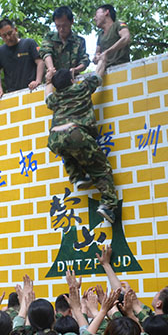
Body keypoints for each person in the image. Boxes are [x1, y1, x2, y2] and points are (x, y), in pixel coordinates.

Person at [45, 68, 118, 223]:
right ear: (72, 81)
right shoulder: (81, 88)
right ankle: (107, 204)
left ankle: (77, 177)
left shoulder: (55, 98)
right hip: (74, 133)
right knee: (101, 168)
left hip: (54, 138)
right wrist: (103, 59)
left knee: (68, 152)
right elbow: (98, 74)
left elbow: (47, 95)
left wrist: (48, 80)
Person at [0, 18, 44, 102]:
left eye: (10, 33)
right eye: (4, 36)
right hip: (13, 95)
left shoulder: (29, 43)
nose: (8, 37)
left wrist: (38, 81)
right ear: (1, 36)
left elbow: (40, 61)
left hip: (33, 90)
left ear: (15, 30)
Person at [41, 6, 90, 83]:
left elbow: (84, 61)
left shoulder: (79, 41)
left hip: (72, 82)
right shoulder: (50, 37)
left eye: (64, 25)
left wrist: (75, 70)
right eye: (58, 26)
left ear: (71, 22)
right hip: (52, 81)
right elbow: (45, 52)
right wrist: (51, 69)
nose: (61, 29)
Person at [93, 4, 131, 74]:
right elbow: (97, 54)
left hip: (121, 68)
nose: (94, 18)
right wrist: (96, 57)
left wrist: (107, 52)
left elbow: (126, 38)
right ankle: (95, 79)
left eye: (96, 14)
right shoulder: (100, 35)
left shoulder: (118, 24)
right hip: (105, 71)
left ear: (106, 12)